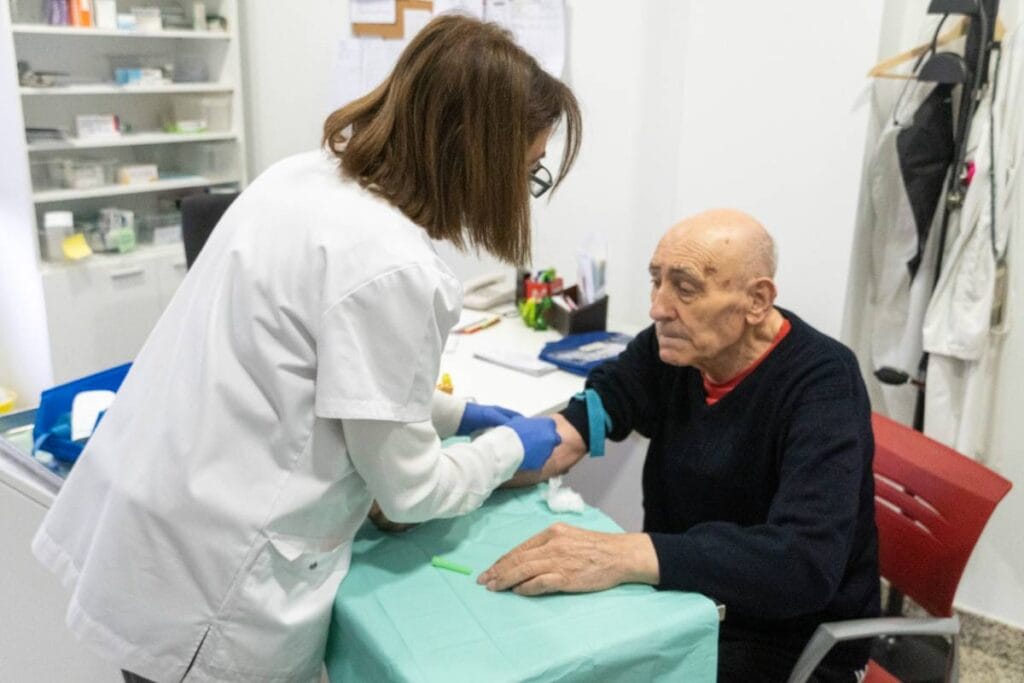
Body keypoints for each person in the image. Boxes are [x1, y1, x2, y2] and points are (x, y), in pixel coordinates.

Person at [32, 15, 580, 683]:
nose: (521, 194)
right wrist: (505, 449)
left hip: (156, 532)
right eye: (526, 172)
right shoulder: (395, 267)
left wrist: (458, 413)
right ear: (475, 157)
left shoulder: (302, 180)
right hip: (215, 589)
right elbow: (408, 491)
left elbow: (325, 380)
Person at [482, 209, 881, 682]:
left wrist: (622, 555)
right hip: (687, 603)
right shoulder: (675, 347)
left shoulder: (823, 384)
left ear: (757, 300)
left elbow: (802, 564)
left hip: (788, 640)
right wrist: (471, 472)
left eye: (685, 288)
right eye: (657, 281)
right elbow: (581, 424)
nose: (658, 307)